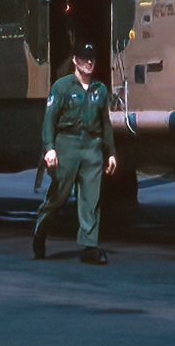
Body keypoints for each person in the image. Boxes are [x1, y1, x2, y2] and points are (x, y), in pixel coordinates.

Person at [32, 43, 118, 265]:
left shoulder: (100, 90)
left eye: (91, 58)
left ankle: (90, 247)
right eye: (83, 57)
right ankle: (41, 230)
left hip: (92, 147)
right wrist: (49, 148)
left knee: (91, 198)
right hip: (67, 144)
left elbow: (106, 124)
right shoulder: (62, 87)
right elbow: (49, 120)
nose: (88, 62)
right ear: (74, 60)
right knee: (59, 195)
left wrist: (111, 152)